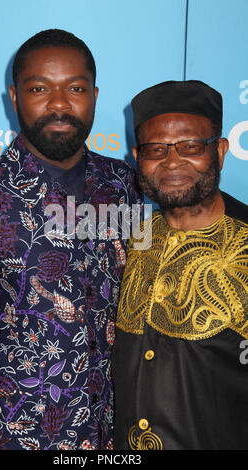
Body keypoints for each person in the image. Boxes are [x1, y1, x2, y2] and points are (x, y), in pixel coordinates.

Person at [0, 29, 141, 450]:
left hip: (117, 434)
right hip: (22, 436)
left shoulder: (124, 185)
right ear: (15, 98)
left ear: (94, 94)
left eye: (75, 88)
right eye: (40, 88)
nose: (59, 103)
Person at [112, 80, 248, 450]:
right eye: (156, 149)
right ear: (138, 157)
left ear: (219, 152)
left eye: (190, 147)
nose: (172, 162)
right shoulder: (135, 238)